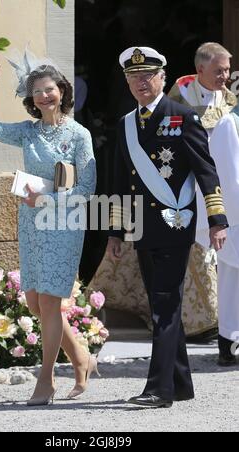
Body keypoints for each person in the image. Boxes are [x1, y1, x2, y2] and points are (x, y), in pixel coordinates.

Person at [107, 46, 228, 408]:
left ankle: (158, 390)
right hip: (142, 228)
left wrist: (217, 219)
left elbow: (206, 171)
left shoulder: (182, 116)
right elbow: (118, 180)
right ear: (127, 82)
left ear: (162, 77)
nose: (141, 82)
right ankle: (180, 383)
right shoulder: (126, 124)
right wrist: (115, 230)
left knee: (164, 304)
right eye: (133, 77)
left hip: (175, 224)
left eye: (148, 75)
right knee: (163, 303)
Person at [0, 52, 97, 406]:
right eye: (37, 92)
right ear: (31, 100)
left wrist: (46, 202)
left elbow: (85, 189)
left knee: (50, 301)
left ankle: (45, 380)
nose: (44, 96)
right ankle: (81, 356)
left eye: (50, 89)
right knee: (35, 303)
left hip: (63, 222)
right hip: (31, 224)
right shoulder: (29, 132)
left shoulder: (79, 135)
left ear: (62, 90)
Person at [168, 42, 237, 340]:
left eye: (227, 70)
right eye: (219, 70)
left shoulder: (230, 101)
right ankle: (187, 327)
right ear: (200, 70)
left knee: (231, 264)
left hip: (229, 196)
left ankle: (227, 334)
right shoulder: (178, 99)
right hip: (190, 192)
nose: (226, 76)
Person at [197, 105, 239, 366]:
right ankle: (228, 343)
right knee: (232, 283)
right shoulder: (229, 124)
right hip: (236, 217)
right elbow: (229, 175)